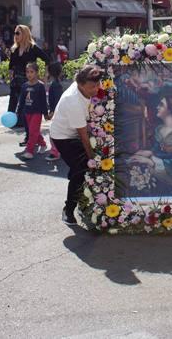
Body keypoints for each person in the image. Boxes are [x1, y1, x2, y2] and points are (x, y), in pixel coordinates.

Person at [50, 65, 102, 225]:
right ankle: (68, 210)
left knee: (78, 168)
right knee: (81, 169)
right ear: (80, 85)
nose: (96, 89)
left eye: (98, 84)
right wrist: (92, 159)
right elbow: (83, 136)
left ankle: (84, 200)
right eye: (92, 87)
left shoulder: (85, 83)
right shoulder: (72, 101)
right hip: (63, 136)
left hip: (76, 131)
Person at [8, 25, 48, 137]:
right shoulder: (14, 49)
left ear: (24, 34)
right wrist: (11, 78)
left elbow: (47, 59)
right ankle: (18, 124)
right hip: (16, 81)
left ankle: (31, 133)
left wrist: (44, 76)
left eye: (18, 33)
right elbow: (11, 66)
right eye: (15, 33)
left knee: (28, 105)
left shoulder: (33, 48)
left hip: (29, 80)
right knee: (15, 103)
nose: (15, 35)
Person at [19, 62, 48, 160]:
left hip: (37, 112)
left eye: (31, 72)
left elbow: (43, 101)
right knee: (34, 131)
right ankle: (43, 144)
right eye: (27, 72)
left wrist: (45, 113)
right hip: (27, 112)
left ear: (36, 73)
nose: (29, 74)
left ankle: (29, 151)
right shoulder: (24, 86)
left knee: (32, 131)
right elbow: (21, 100)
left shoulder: (40, 86)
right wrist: (19, 111)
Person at [45, 62, 64, 161]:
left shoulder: (56, 85)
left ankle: (55, 152)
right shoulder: (55, 84)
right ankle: (58, 150)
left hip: (57, 113)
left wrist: (52, 112)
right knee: (57, 132)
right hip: (58, 112)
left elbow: (57, 100)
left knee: (54, 133)